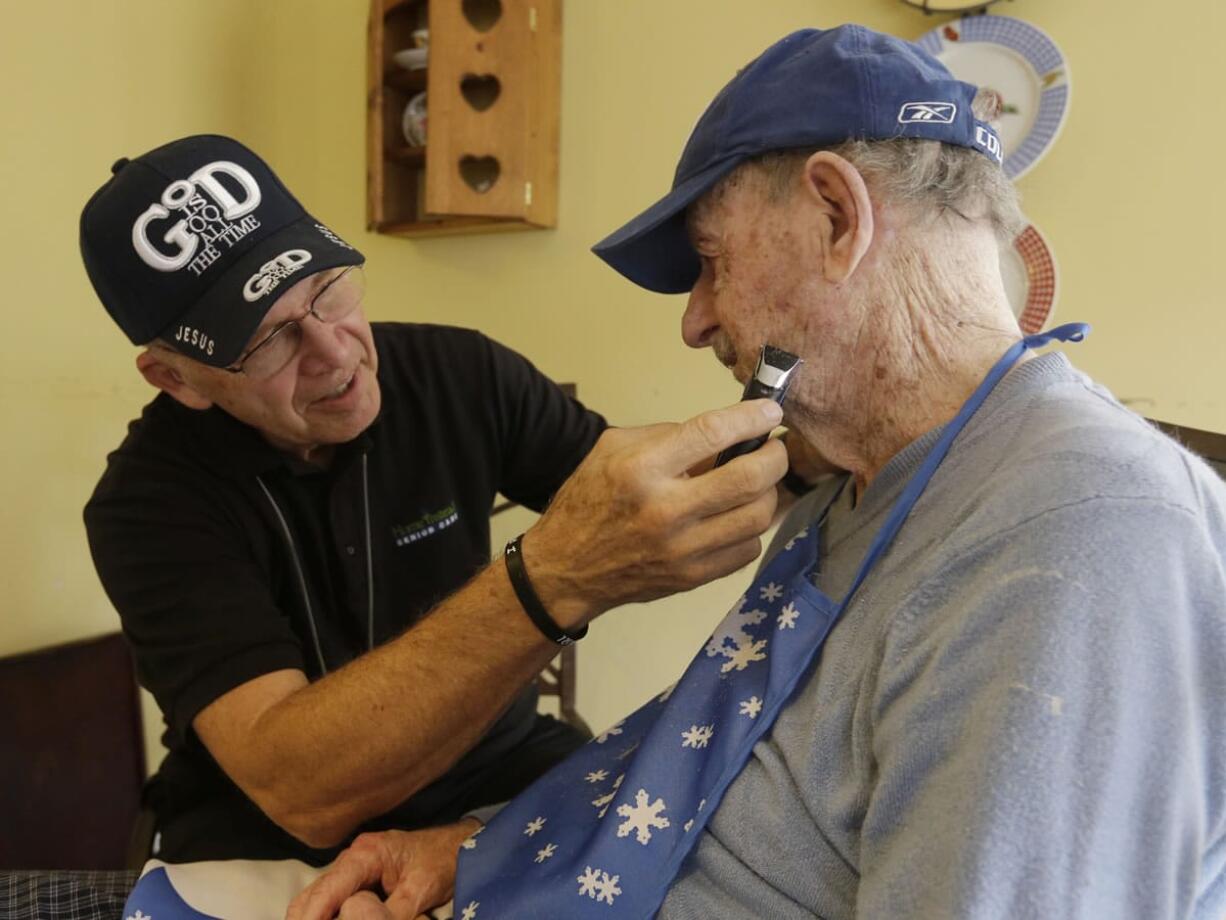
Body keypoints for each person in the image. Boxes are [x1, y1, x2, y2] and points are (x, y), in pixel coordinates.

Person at [288, 25, 1226, 920]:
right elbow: (744, 785)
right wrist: (489, 846)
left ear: (835, 214)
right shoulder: (861, 477)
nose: (694, 322)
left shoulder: (1076, 541)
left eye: (706, 261)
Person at [80, 135, 791, 866]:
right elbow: (300, 791)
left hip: (501, 771)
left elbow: (653, 495)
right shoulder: (144, 505)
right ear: (177, 379)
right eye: (267, 342)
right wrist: (546, 582)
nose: (336, 352)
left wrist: (801, 434)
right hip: (264, 839)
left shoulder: (459, 374)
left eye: (327, 289)